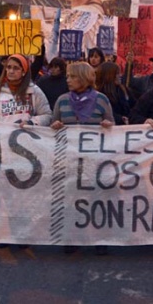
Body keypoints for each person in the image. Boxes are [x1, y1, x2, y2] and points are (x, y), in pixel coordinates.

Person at [51, 61, 113, 255]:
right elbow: (53, 124)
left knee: (97, 199)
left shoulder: (102, 100)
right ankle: (72, 237)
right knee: (71, 198)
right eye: (68, 76)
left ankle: (99, 239)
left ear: (85, 78)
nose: (68, 80)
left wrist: (107, 124)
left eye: (73, 76)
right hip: (70, 160)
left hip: (95, 161)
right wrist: (56, 125)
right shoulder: (61, 100)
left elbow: (114, 127)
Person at [0, 54, 51, 126]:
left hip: (28, 135)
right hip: (4, 136)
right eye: (8, 67)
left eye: (16, 68)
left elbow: (47, 116)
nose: (11, 71)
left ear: (23, 71)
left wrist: (31, 122)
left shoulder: (34, 91)